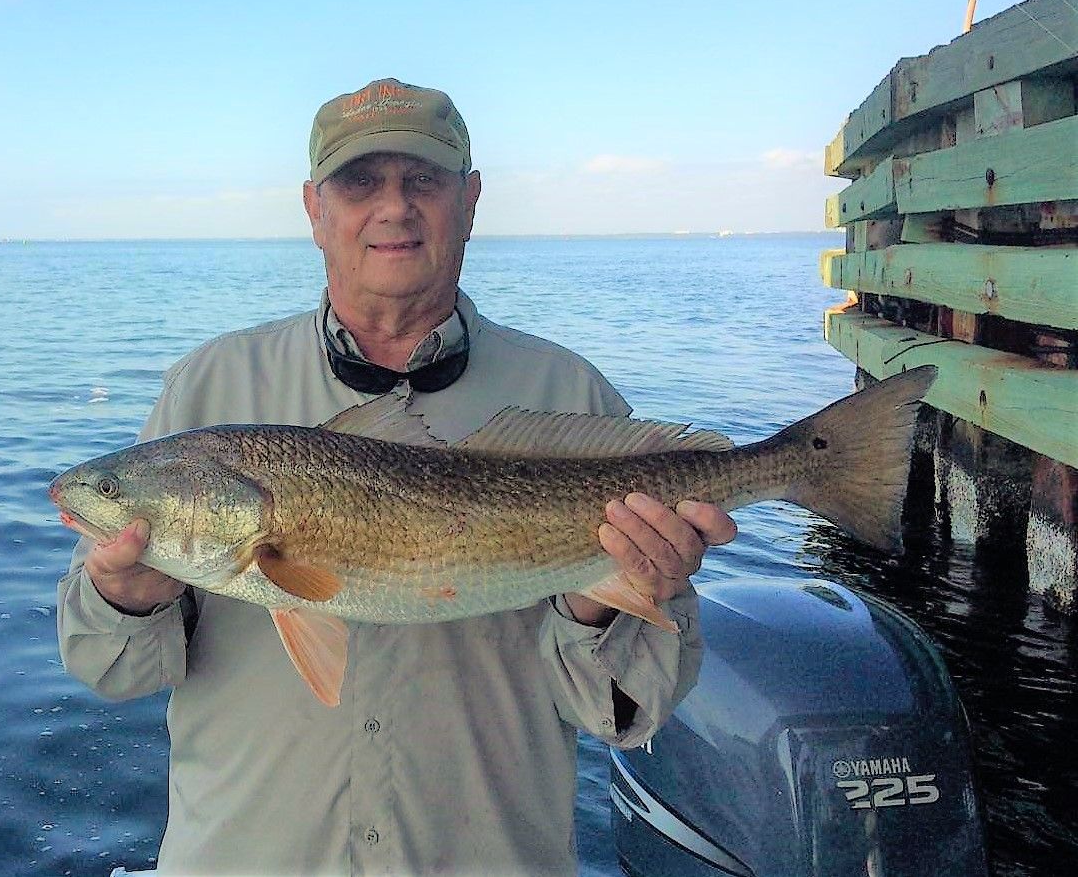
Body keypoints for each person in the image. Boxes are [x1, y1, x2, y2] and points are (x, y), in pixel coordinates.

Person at [56, 77, 737, 876]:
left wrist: (599, 596)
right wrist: (128, 594)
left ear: (471, 200)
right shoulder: (205, 388)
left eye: (423, 180)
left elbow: (627, 713)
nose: (392, 207)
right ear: (314, 209)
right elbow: (107, 670)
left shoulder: (573, 398)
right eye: (358, 182)